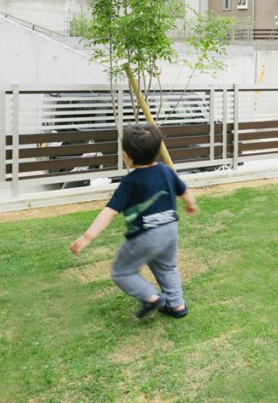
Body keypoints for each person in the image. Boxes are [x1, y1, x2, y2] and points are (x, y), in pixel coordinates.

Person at [69, 124, 197, 319]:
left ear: (126, 156)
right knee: (167, 266)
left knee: (122, 271)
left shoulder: (130, 182)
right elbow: (185, 191)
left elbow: (109, 212)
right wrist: (190, 205)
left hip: (146, 234)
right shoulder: (166, 171)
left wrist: (86, 237)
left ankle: (152, 298)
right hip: (170, 229)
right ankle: (177, 305)